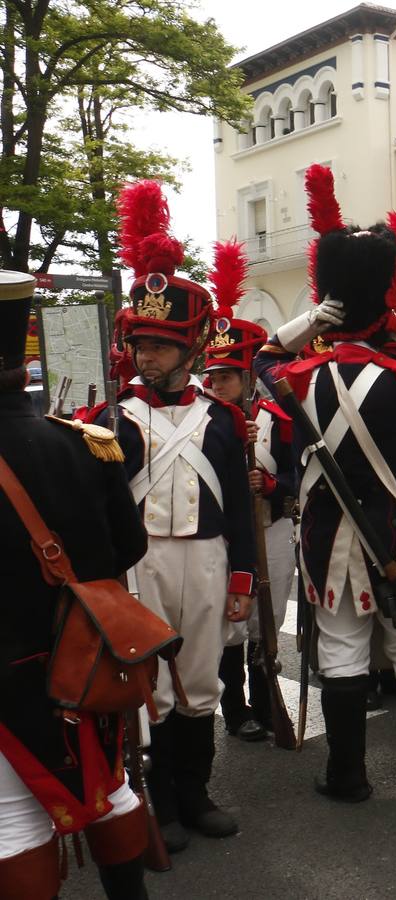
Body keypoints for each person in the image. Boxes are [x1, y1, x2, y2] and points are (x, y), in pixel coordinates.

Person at [253, 164, 396, 803]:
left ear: (330, 307)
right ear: (383, 306)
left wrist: (309, 324)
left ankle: (347, 776)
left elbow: (263, 355)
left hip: (327, 543)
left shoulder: (299, 379)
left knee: (342, 653)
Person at [95, 181, 256, 852]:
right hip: (142, 564)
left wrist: (243, 578)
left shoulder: (222, 420)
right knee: (151, 689)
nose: (148, 355)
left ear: (191, 350)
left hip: (208, 558)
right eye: (143, 344)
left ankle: (196, 794)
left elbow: (239, 508)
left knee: (198, 680)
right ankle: (159, 803)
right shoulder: (111, 420)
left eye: (161, 346)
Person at [0, 270, 152, 899]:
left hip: (8, 674)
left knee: (11, 819)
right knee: (110, 789)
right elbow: (130, 546)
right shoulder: (87, 443)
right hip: (87, 658)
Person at [202, 278, 281, 745]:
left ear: (249, 376)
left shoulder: (280, 417)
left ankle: (268, 702)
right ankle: (235, 709)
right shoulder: (201, 421)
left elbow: (301, 476)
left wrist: (269, 485)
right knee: (230, 624)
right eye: (213, 377)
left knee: (264, 623)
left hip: (271, 528)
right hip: (224, 535)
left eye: (226, 377)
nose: (217, 385)